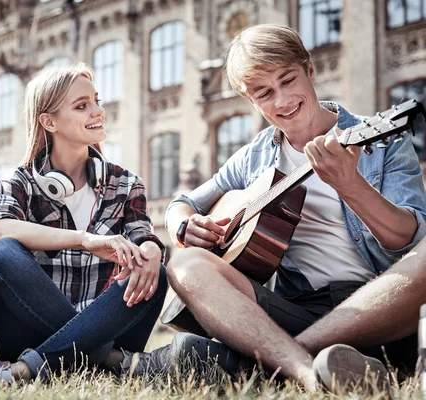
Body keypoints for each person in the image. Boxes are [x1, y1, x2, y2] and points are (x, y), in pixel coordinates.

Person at [158, 24, 426, 392]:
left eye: (288, 80)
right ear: (251, 102)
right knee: (185, 264)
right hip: (298, 310)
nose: (282, 100)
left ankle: (278, 361)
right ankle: (310, 373)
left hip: (384, 302)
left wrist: (350, 185)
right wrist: (184, 226)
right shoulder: (253, 157)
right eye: (264, 93)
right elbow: (181, 203)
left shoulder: (380, 141)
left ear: (310, 70)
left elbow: (407, 240)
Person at [0, 63, 168, 385]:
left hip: (107, 324)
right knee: (1, 254)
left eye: (97, 100)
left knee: (154, 270)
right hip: (30, 334)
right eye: (82, 106)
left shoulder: (126, 183)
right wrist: (83, 239)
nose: (98, 111)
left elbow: (143, 234)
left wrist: (151, 251)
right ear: (49, 122)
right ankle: (107, 360)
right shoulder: (20, 180)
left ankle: (24, 371)